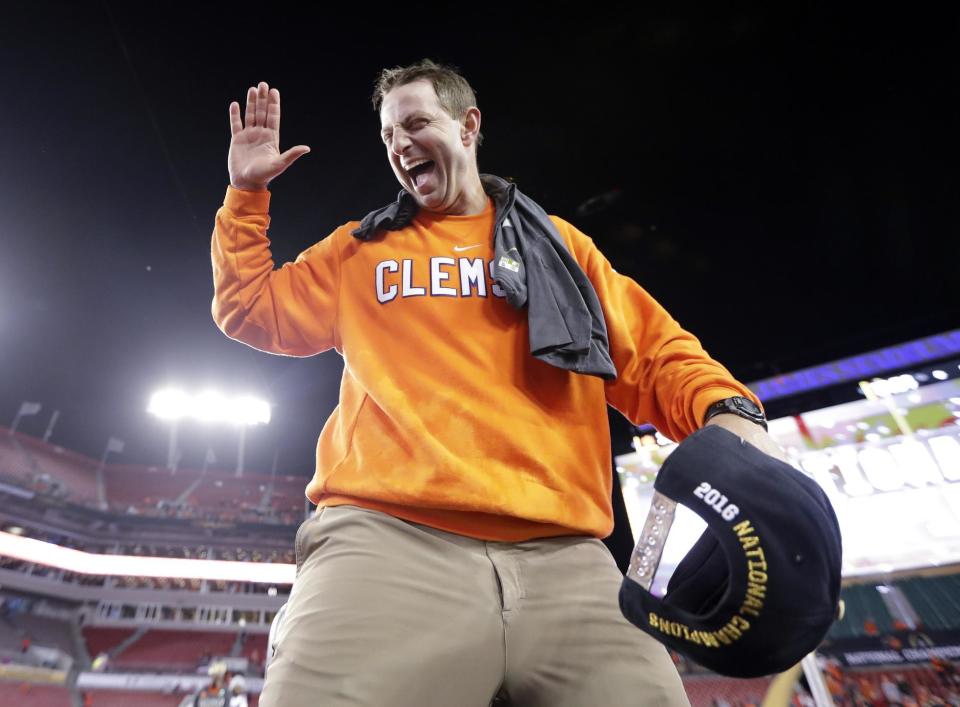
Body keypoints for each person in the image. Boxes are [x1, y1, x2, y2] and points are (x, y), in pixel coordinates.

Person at [212, 59, 785, 707]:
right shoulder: (357, 251)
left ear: (468, 126)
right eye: (388, 135)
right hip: (387, 545)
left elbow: (653, 355)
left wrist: (731, 412)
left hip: (566, 558)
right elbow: (249, 308)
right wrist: (246, 196)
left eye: (416, 123)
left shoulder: (561, 247)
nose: (399, 144)